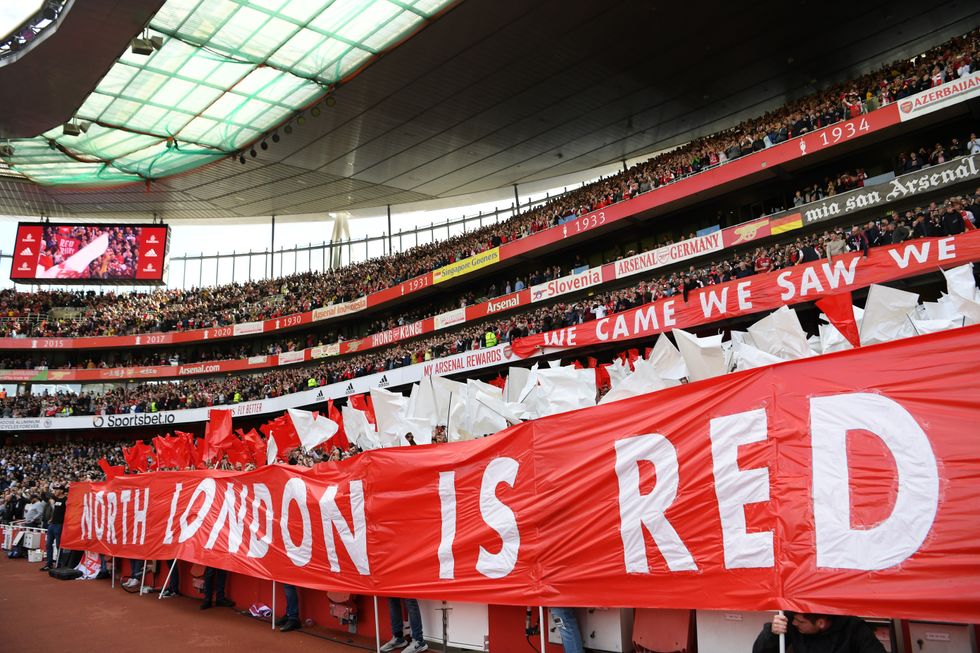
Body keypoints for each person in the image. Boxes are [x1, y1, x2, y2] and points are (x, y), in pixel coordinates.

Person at [752, 611, 886, 653]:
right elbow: (759, 652)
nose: (794, 623)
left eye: (800, 621)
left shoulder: (854, 628)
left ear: (820, 623)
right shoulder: (790, 620)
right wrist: (771, 633)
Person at [39, 484, 66, 572]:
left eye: (57, 489)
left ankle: (59, 564)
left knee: (59, 545)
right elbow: (44, 497)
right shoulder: (55, 498)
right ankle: (49, 564)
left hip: (59, 525)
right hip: (52, 525)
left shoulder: (66, 500)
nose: (55, 491)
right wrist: (44, 489)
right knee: (48, 544)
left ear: (62, 490)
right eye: (54, 489)